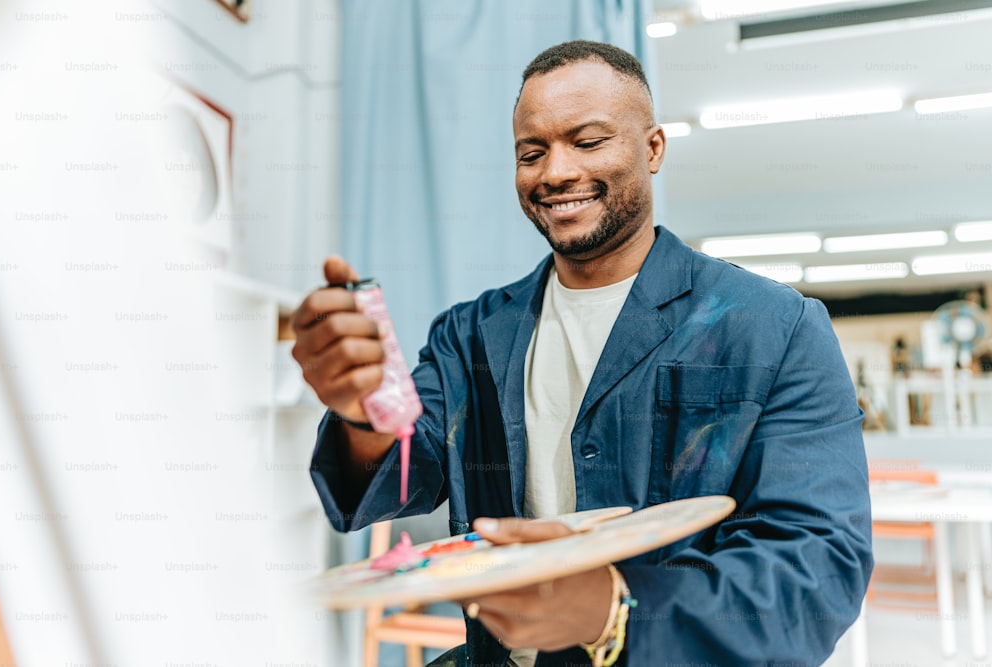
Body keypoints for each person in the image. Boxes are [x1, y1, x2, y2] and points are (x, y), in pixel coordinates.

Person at [293, 40, 873, 667]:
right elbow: (407, 468)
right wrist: (360, 407)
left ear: (652, 149)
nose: (555, 172)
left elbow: (818, 568)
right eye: (531, 152)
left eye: (588, 141)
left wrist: (613, 609)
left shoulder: (774, 326)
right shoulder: (471, 332)